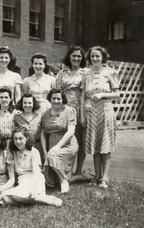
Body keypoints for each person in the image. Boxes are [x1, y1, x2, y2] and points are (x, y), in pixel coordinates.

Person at [81, 46, 120, 188]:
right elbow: (83, 96)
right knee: (95, 144)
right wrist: (82, 116)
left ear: (103, 57)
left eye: (98, 56)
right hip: (91, 112)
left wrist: (103, 95)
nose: (95, 59)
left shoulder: (110, 72)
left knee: (106, 143)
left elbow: (117, 94)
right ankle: (97, 176)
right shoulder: (86, 73)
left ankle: (105, 178)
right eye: (92, 56)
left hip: (106, 111)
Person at [0, 127, 62, 207]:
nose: (18, 141)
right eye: (15, 139)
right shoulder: (14, 153)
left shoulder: (34, 152)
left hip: (35, 180)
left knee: (14, 196)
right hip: (23, 181)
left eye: (20, 138)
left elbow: (36, 173)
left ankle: (49, 201)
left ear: (26, 138)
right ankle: (40, 199)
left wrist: (32, 189)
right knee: (6, 199)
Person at [56, 46, 88, 180]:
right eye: (74, 56)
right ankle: (65, 170)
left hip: (81, 110)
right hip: (65, 109)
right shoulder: (62, 73)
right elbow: (57, 92)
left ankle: (79, 170)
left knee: (81, 141)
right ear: (69, 57)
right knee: (66, 140)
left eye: (79, 56)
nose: (76, 58)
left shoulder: (86, 73)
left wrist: (83, 114)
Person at [41, 89, 79, 193]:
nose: (56, 101)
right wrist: (44, 151)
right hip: (52, 146)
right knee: (52, 181)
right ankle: (80, 177)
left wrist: (58, 146)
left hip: (67, 144)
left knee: (52, 157)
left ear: (63, 100)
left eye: (59, 98)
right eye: (54, 98)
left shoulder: (69, 110)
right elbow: (43, 134)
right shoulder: (45, 114)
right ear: (50, 99)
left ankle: (64, 182)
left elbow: (71, 131)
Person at [0, 46, 22, 111]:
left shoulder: (15, 76)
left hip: (10, 108)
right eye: (1, 57)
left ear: (10, 59)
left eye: (6, 58)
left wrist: (18, 110)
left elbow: (18, 97)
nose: (4, 60)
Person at [14, 93, 43, 162]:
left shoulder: (39, 117)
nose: (27, 105)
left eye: (29, 103)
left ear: (33, 104)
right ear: (21, 104)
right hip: (22, 148)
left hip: (37, 146)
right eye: (25, 103)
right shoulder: (17, 117)